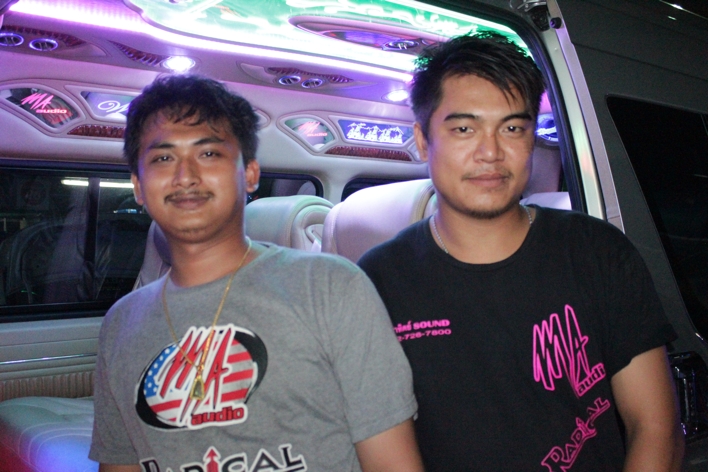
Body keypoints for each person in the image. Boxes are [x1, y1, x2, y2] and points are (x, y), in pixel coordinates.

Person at [358, 32, 684, 471]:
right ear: (422, 139)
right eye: (464, 129)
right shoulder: (378, 282)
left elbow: (656, 427)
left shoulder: (597, 252)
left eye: (512, 128)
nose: (491, 152)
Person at [89, 74, 424, 472]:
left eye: (208, 153)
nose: (185, 176)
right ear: (138, 187)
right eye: (163, 159)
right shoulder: (121, 323)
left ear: (249, 174)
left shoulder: (330, 287)